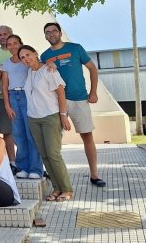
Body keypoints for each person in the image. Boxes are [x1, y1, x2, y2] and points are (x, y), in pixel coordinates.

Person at [41, 22, 105, 187]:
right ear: (45, 36)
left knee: (87, 136)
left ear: (60, 33)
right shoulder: (44, 56)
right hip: (55, 102)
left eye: (54, 31)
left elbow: (92, 69)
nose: (51, 34)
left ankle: (94, 175)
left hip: (79, 99)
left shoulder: (76, 48)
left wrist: (93, 92)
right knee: (53, 140)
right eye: (47, 32)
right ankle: (55, 175)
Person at [19, 44, 74, 202]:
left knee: (53, 154)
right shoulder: (30, 72)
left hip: (50, 116)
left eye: (28, 55)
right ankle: (57, 188)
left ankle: (67, 189)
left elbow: (61, 91)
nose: (26, 59)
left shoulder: (49, 70)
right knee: (44, 155)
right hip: (33, 118)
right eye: (23, 57)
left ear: (36, 53)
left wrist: (63, 115)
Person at [1, 35, 43, 179]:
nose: (12, 46)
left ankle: (36, 169)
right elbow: (4, 85)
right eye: (9, 44)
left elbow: (40, 67)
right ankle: (23, 167)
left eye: (15, 43)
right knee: (18, 134)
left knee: (31, 133)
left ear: (21, 44)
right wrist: (7, 105)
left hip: (28, 96)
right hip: (13, 97)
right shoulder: (6, 64)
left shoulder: (27, 61)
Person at [0, 26, 16, 172]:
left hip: (21, 96)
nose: (2, 37)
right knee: (7, 131)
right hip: (1, 98)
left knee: (25, 131)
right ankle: (13, 162)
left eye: (5, 34)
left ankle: (27, 163)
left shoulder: (20, 51)